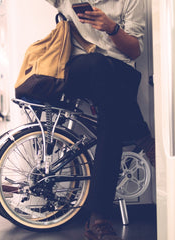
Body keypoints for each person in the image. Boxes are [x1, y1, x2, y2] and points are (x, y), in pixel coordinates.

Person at [42, 1, 155, 239]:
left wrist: (112, 28)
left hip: (118, 75)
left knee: (111, 124)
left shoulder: (131, 2)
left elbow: (134, 51)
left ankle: (98, 218)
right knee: (99, 65)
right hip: (82, 69)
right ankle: (142, 135)